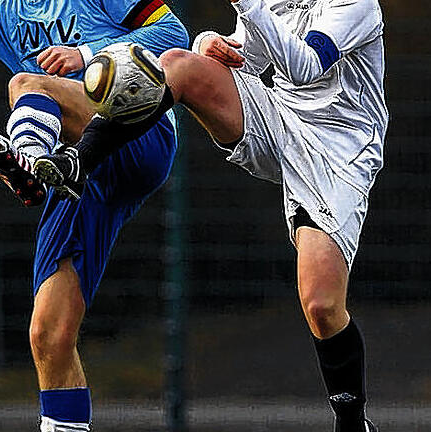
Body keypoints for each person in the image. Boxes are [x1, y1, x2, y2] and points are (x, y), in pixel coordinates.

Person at [36, 0, 387, 430]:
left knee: (321, 305)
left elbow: (306, 66)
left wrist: (250, 7)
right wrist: (214, 44)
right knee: (180, 65)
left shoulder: (357, 4)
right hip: (279, 118)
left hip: (340, 151)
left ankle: (353, 421)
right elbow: (252, 56)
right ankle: (79, 159)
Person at [0, 0, 188, 430]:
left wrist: (86, 55)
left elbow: (174, 36)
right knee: (48, 337)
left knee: (29, 84)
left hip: (137, 131)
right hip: (74, 171)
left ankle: (26, 162)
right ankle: (32, 165)